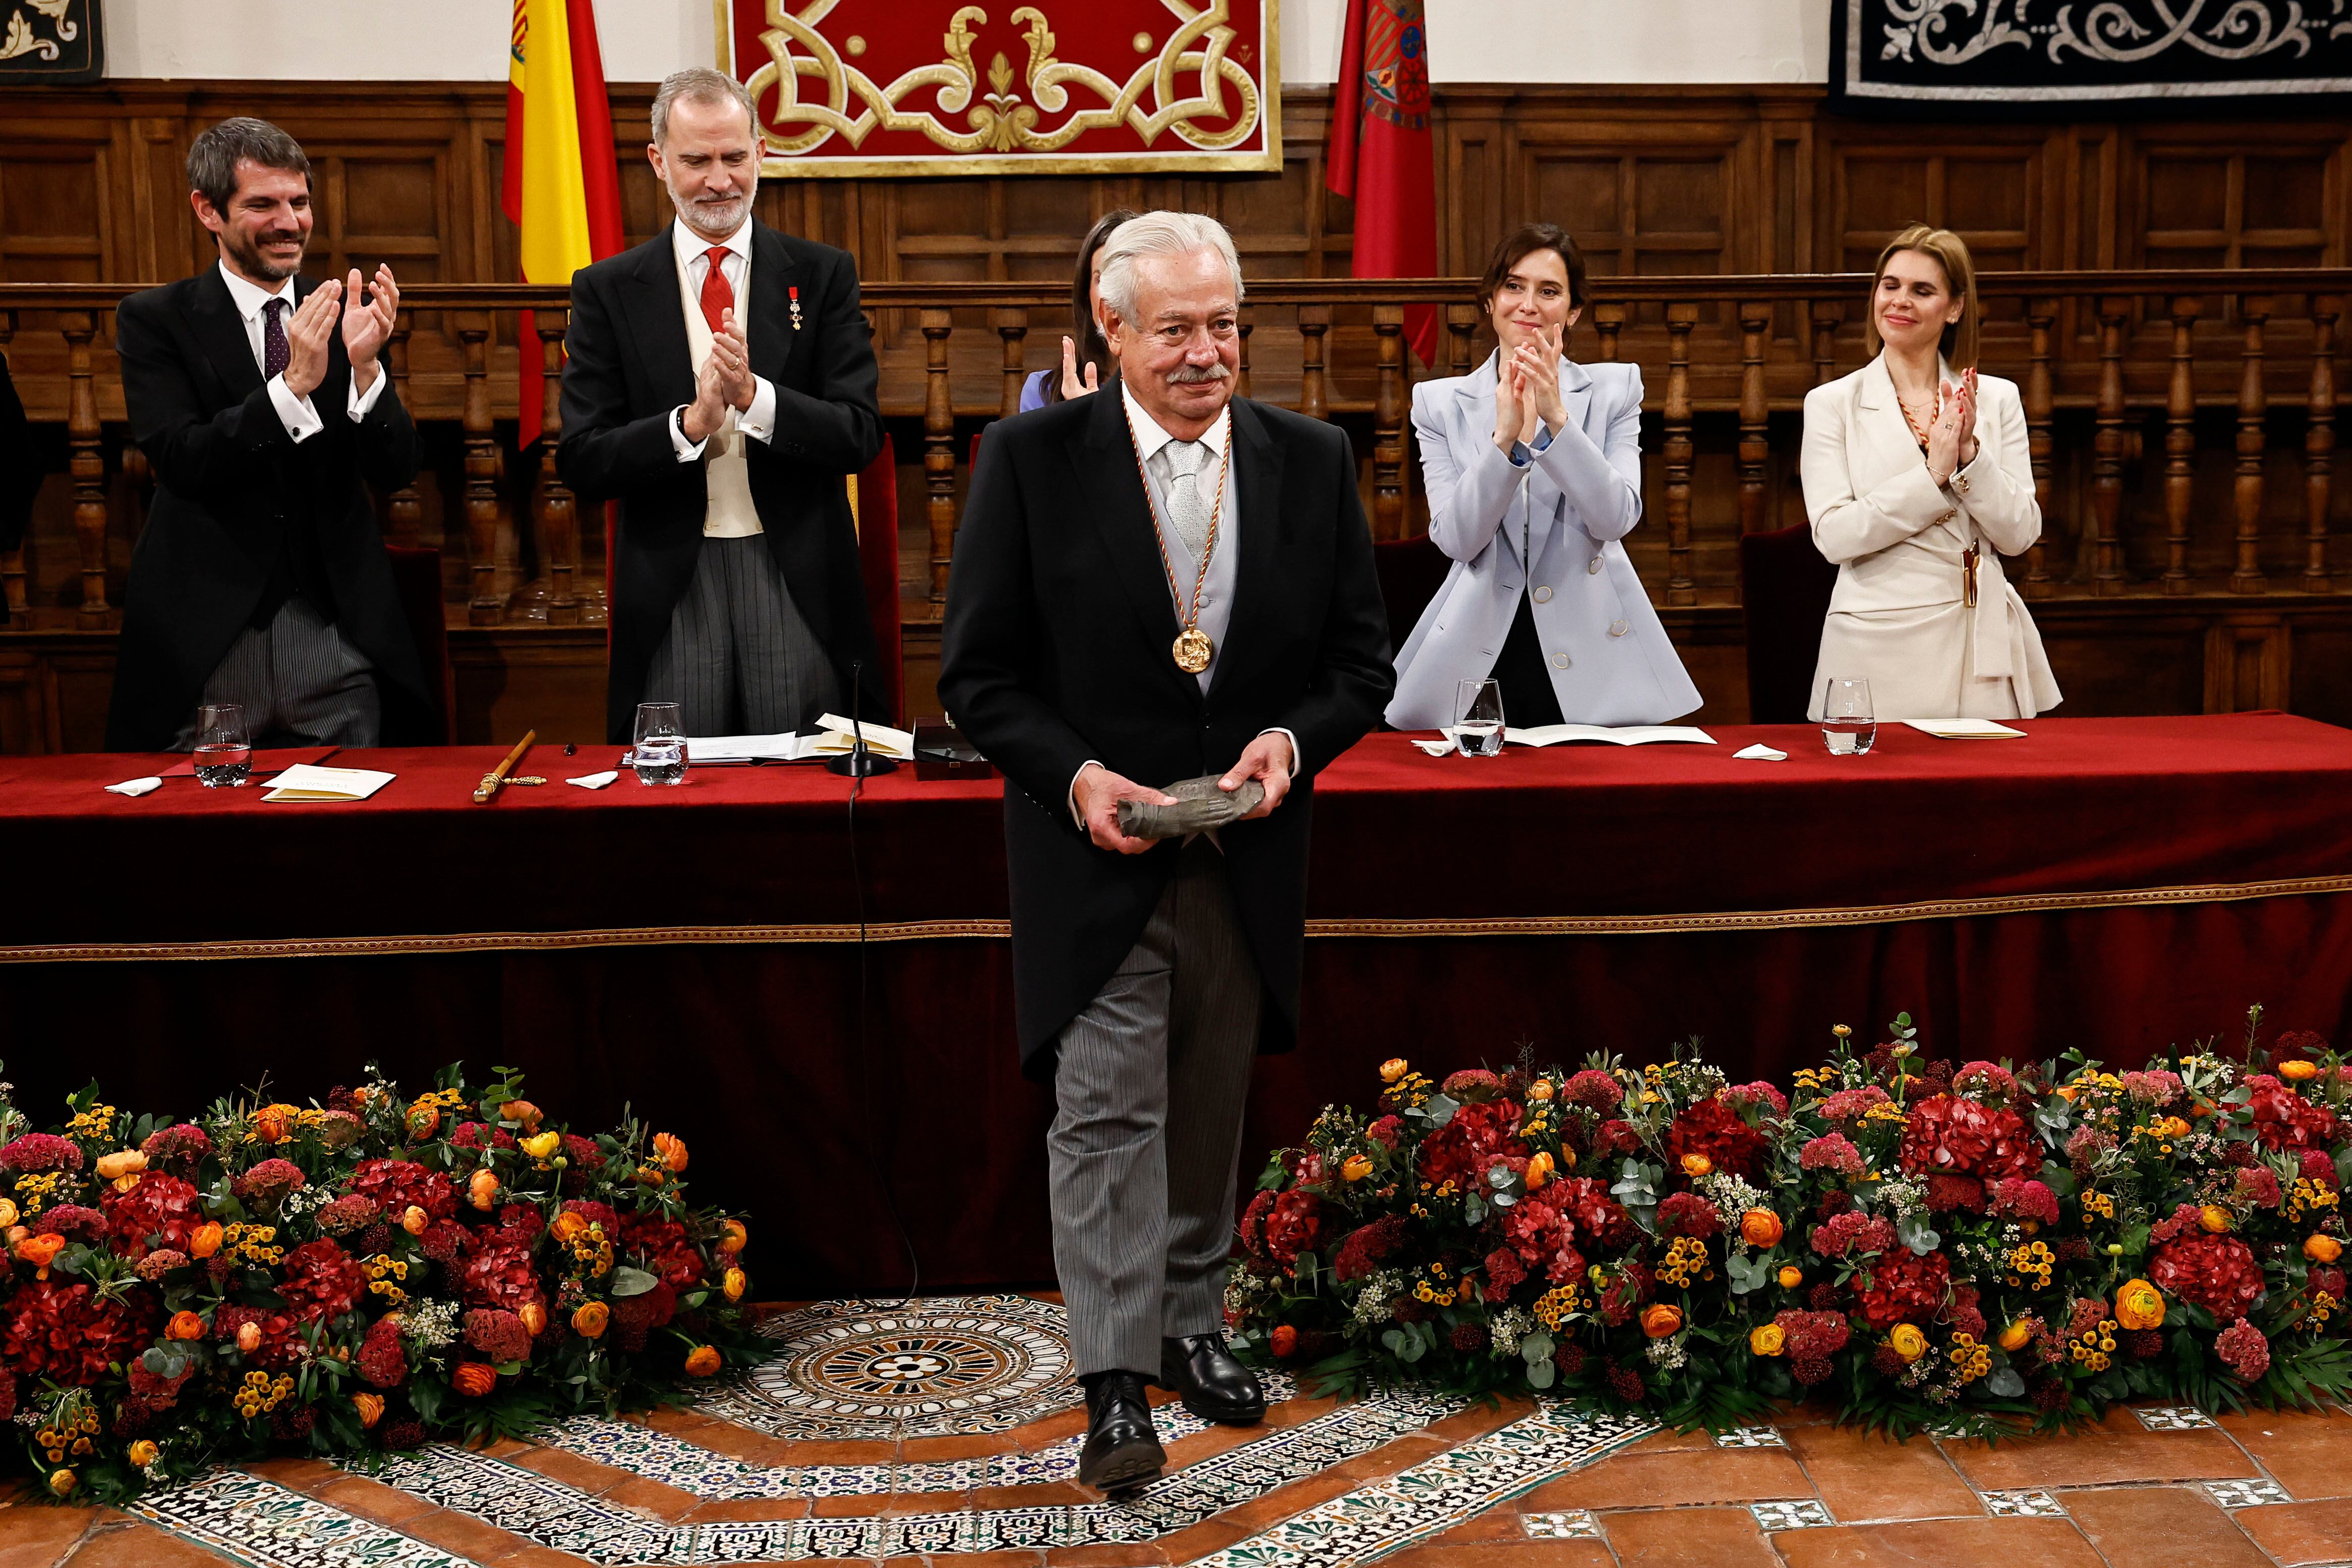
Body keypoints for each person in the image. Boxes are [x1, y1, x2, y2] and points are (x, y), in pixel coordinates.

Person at [940, 212, 1392, 1491]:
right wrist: (1079, 777)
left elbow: (1360, 665)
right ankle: (1112, 1381)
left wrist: (1288, 746)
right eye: (1177, 328)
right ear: (1112, 327)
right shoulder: (1029, 460)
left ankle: (1192, 1322)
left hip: (1248, 854)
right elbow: (979, 676)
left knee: (1205, 1101)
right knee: (1103, 1110)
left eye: (1224, 325)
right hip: (1094, 855)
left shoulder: (1313, 459)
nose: (1206, 352)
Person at [560, 68, 885, 743]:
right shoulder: (608, 290)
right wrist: (690, 425)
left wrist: (755, 400)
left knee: (804, 782)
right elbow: (583, 459)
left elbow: (859, 433)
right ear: (658, 161)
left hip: (793, 571)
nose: (719, 181)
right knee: (681, 786)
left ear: (760, 152)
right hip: (673, 580)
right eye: (696, 161)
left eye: (735, 157)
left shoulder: (822, 274)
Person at [105, 117, 430, 752]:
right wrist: (291, 389)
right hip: (211, 643)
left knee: (354, 811)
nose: (289, 222)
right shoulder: (156, 319)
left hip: (336, 643)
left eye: (299, 202)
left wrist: (367, 370)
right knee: (201, 815)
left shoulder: (345, 311)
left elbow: (396, 470)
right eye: (263, 205)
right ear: (209, 210)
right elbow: (183, 458)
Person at [1385, 223, 1698, 731]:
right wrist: (1504, 442)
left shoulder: (1616, 389)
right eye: (1514, 286)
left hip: (1593, 645)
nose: (1528, 305)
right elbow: (1458, 541)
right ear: (1490, 301)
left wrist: (1557, 420)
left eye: (1549, 291)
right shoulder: (1438, 404)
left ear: (1573, 311)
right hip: (1480, 646)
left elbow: (1615, 519)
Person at [1802, 223, 2057, 720]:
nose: (1900, 301)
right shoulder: (1832, 403)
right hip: (1878, 645)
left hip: (1979, 649)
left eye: (1922, 290)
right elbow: (1834, 536)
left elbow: (2020, 534)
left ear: (1955, 307)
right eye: (1890, 285)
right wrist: (1932, 475)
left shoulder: (1997, 398)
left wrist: (1970, 458)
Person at [1016, 208, 1137, 412]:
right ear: (1086, 294)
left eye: (1124, 278)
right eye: (1102, 279)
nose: (1113, 295)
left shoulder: (1177, 389)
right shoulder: (1043, 392)